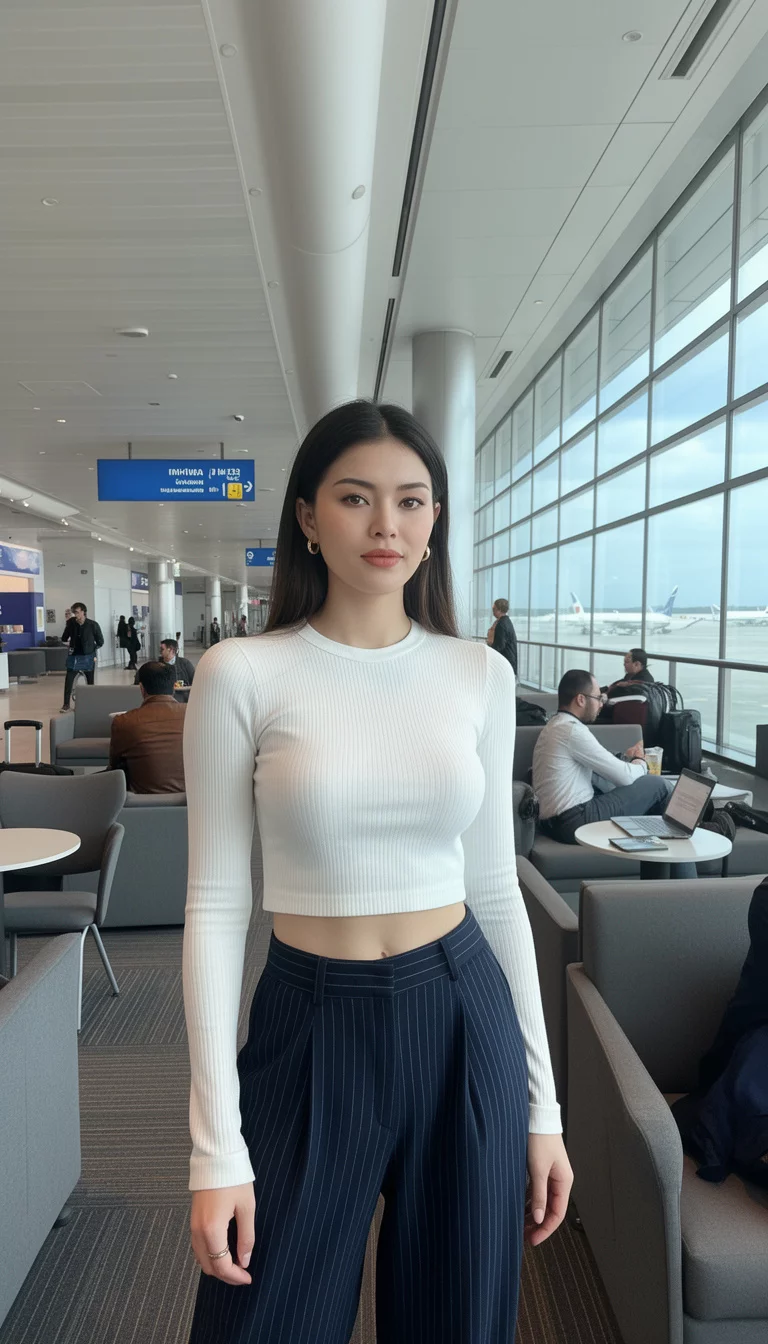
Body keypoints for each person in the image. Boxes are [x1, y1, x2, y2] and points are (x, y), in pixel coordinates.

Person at [182, 399, 570, 1343]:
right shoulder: (241, 672)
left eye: (411, 500)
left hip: (461, 1011)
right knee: (260, 1319)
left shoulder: (477, 674)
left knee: (459, 1321)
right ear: (308, 518)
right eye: (356, 498)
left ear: (435, 521)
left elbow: (495, 893)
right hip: (311, 1019)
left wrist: (543, 1105)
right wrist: (214, 1148)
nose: (386, 524)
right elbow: (217, 904)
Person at [533, 667, 673, 845]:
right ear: (581, 699)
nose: (601, 704)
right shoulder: (572, 731)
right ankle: (672, 846)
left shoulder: (556, 725)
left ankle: (648, 842)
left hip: (551, 823)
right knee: (659, 785)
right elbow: (625, 777)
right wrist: (640, 762)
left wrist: (626, 759)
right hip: (573, 821)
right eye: (598, 698)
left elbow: (603, 766)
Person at [109, 660, 186, 793]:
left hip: (142, 800)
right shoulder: (195, 714)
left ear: (141, 688)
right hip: (190, 799)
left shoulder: (124, 722)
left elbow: (114, 764)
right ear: (174, 686)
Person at [60, 601, 104, 713]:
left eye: (77, 612)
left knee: (90, 681)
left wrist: (92, 648)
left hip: (88, 656)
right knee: (69, 680)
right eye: (74, 612)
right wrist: (70, 642)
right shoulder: (71, 624)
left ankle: (90, 703)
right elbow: (64, 638)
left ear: (83, 612)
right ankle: (66, 704)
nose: (76, 615)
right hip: (74, 656)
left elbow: (100, 641)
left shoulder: (93, 625)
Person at [487, 597, 518, 675]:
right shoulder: (506, 621)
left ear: (500, 610)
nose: (493, 611)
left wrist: (490, 644)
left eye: (494, 609)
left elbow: (499, 646)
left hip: (505, 662)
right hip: (510, 660)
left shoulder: (501, 624)